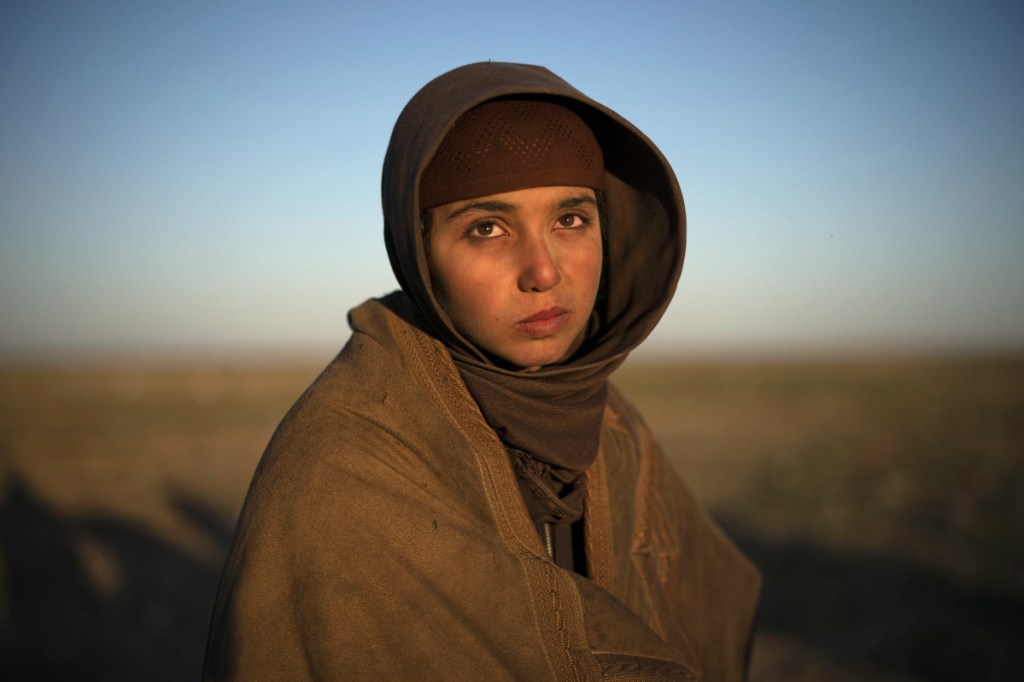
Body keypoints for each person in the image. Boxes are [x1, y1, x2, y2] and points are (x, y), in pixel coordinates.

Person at [203, 62, 760, 681]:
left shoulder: (606, 419)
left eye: (570, 220)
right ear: (419, 254)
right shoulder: (338, 475)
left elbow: (708, 607)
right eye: (487, 228)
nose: (543, 272)